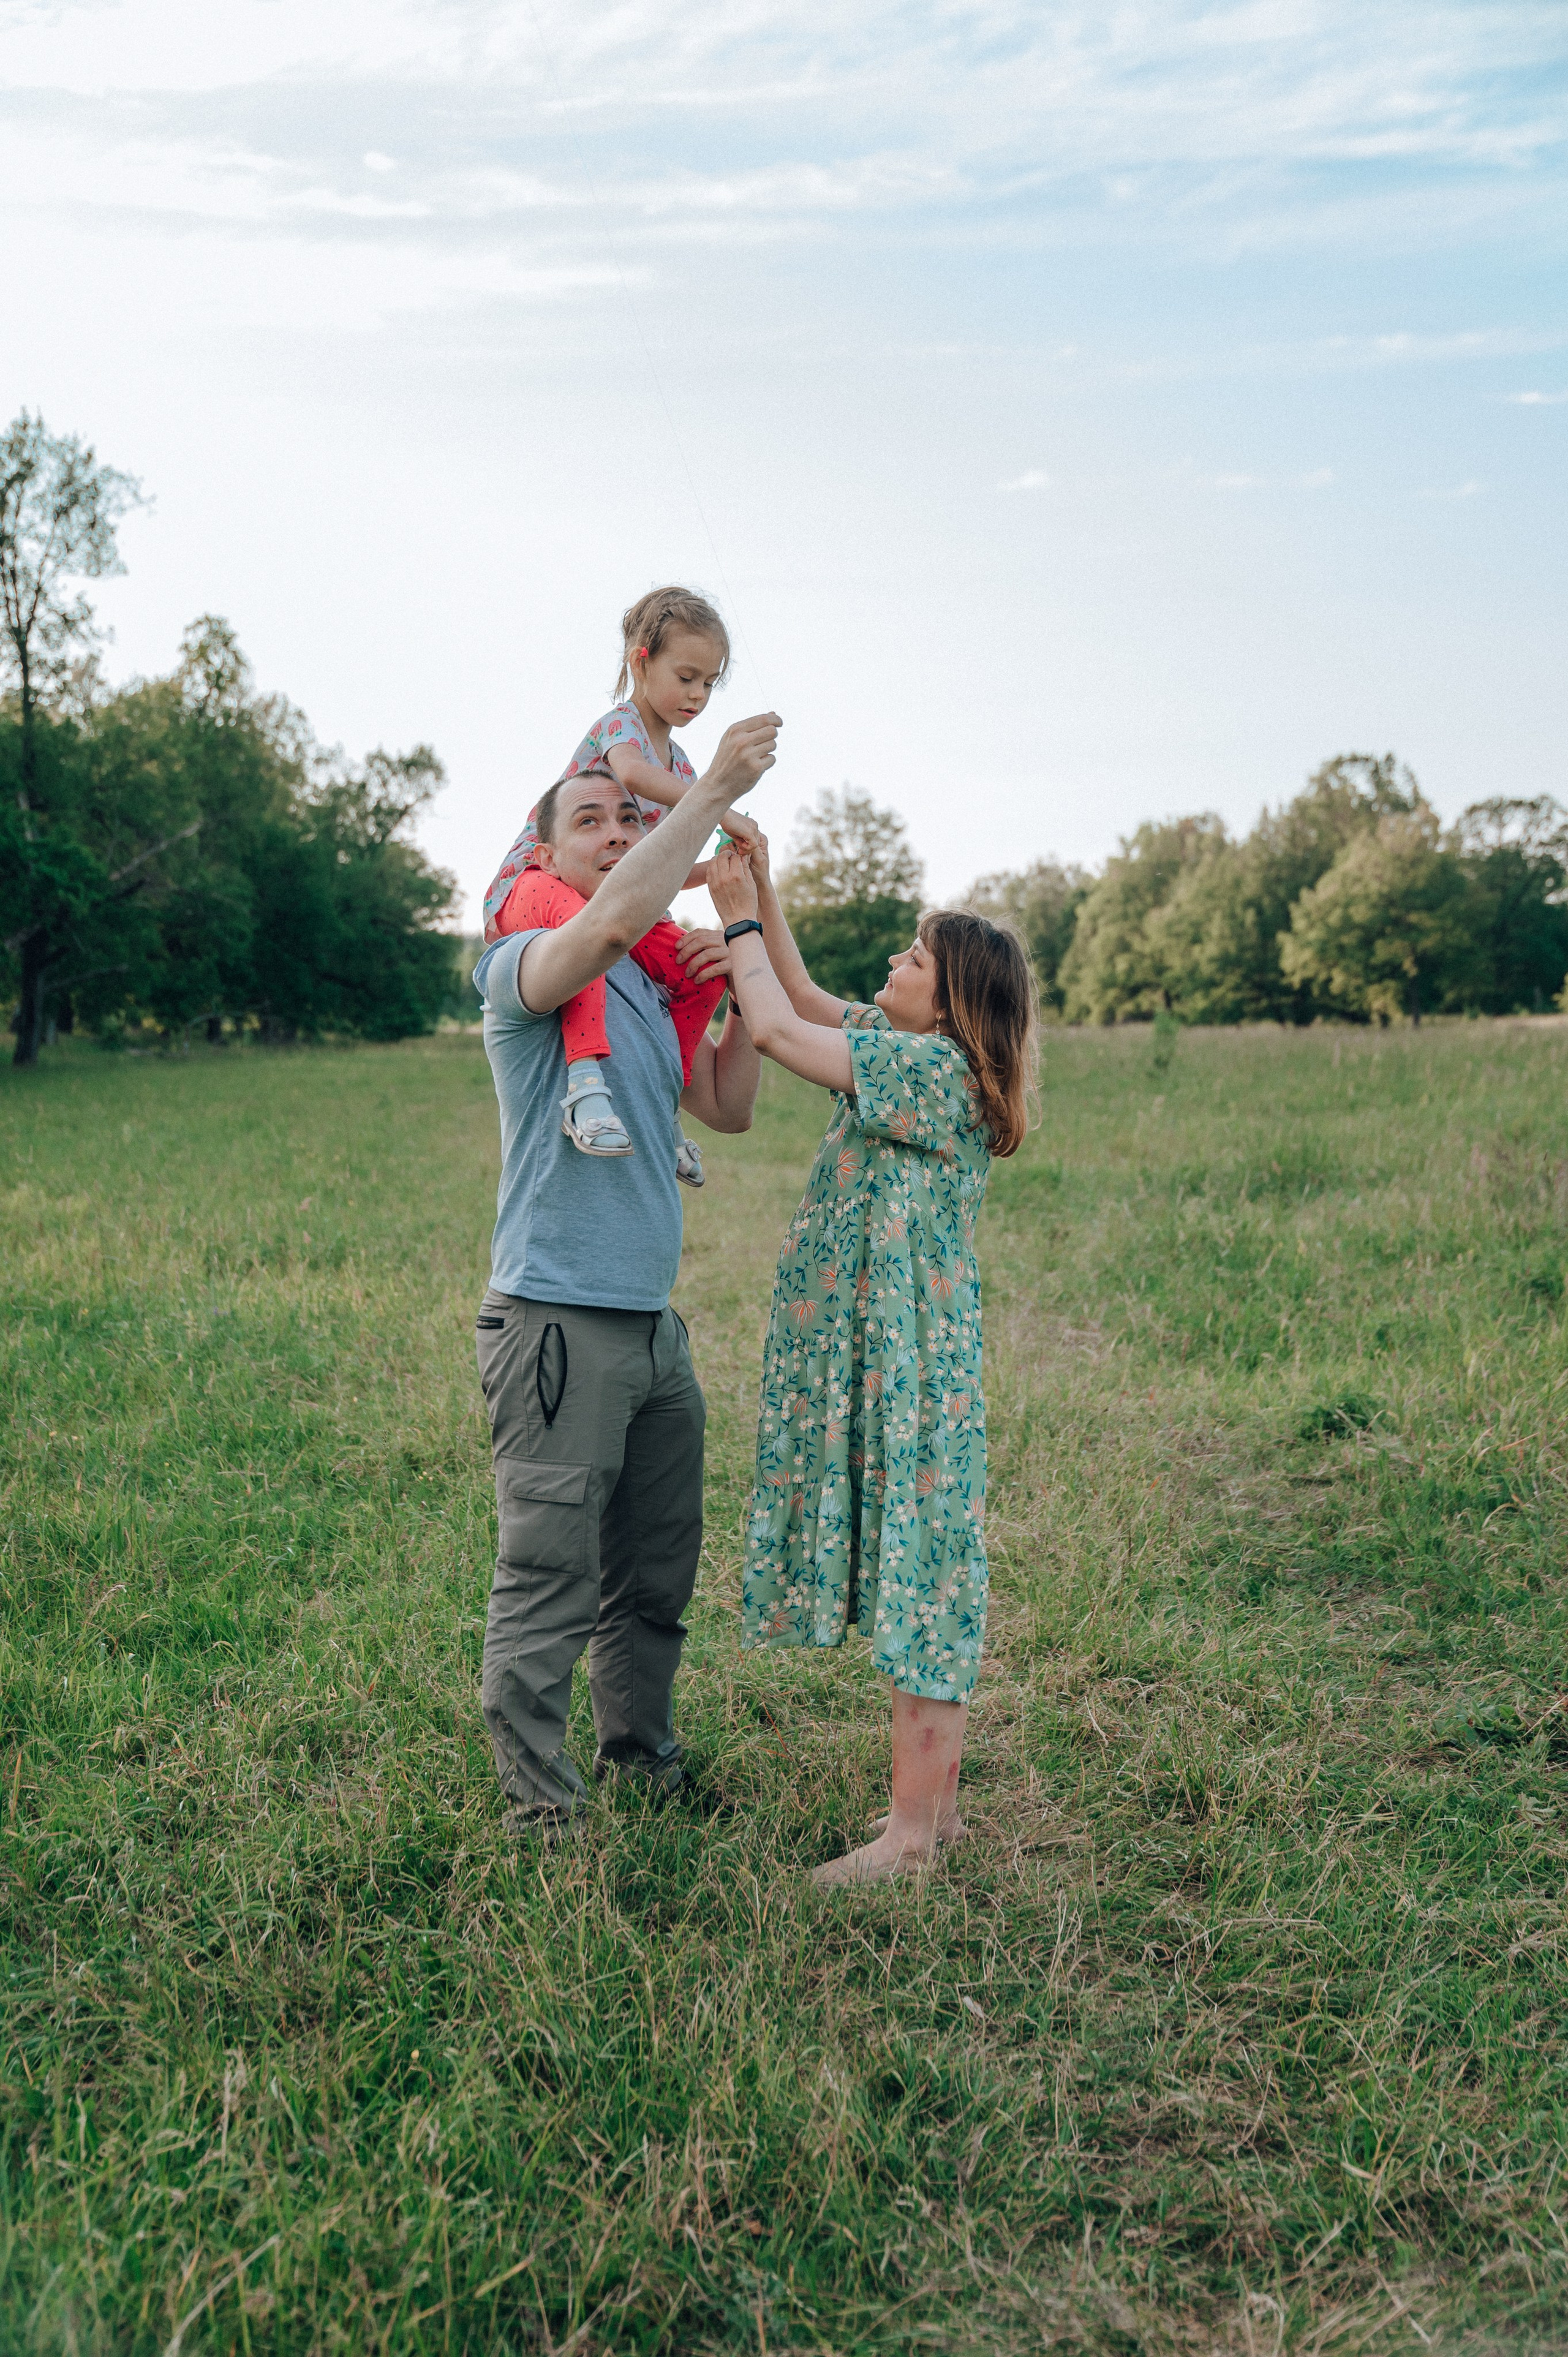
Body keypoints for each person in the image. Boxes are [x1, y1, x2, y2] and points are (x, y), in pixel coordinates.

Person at [471, 711, 778, 1839]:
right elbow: (601, 929)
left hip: (653, 1329)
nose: (613, 831)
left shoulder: (644, 985)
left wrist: (733, 995)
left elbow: (730, 1110)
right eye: (588, 819)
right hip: (556, 1325)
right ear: (543, 856)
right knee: (549, 1576)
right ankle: (538, 1812)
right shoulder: (524, 966)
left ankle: (640, 1756)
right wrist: (706, 797)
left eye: (627, 817)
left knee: (654, 1573)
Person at [707, 835, 1036, 1886]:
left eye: (912, 957)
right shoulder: (912, 1053)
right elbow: (798, 994)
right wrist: (763, 893)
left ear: (950, 1006)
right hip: (892, 1364)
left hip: (912, 1377)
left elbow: (765, 1021)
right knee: (916, 1581)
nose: (892, 964)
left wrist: (735, 921)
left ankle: (910, 1840)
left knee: (925, 1587)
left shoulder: (933, 1073)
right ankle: (926, 1824)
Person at [481, 587, 760, 1182]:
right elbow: (631, 773)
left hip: (610, 903)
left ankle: (662, 1112)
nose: (696, 695)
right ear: (641, 660)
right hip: (537, 885)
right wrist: (723, 807)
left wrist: (724, 867)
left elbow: (660, 870)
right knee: (586, 938)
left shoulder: (684, 766)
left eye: (710, 684)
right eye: (686, 676)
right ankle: (585, 1086)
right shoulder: (622, 726)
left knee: (695, 968)